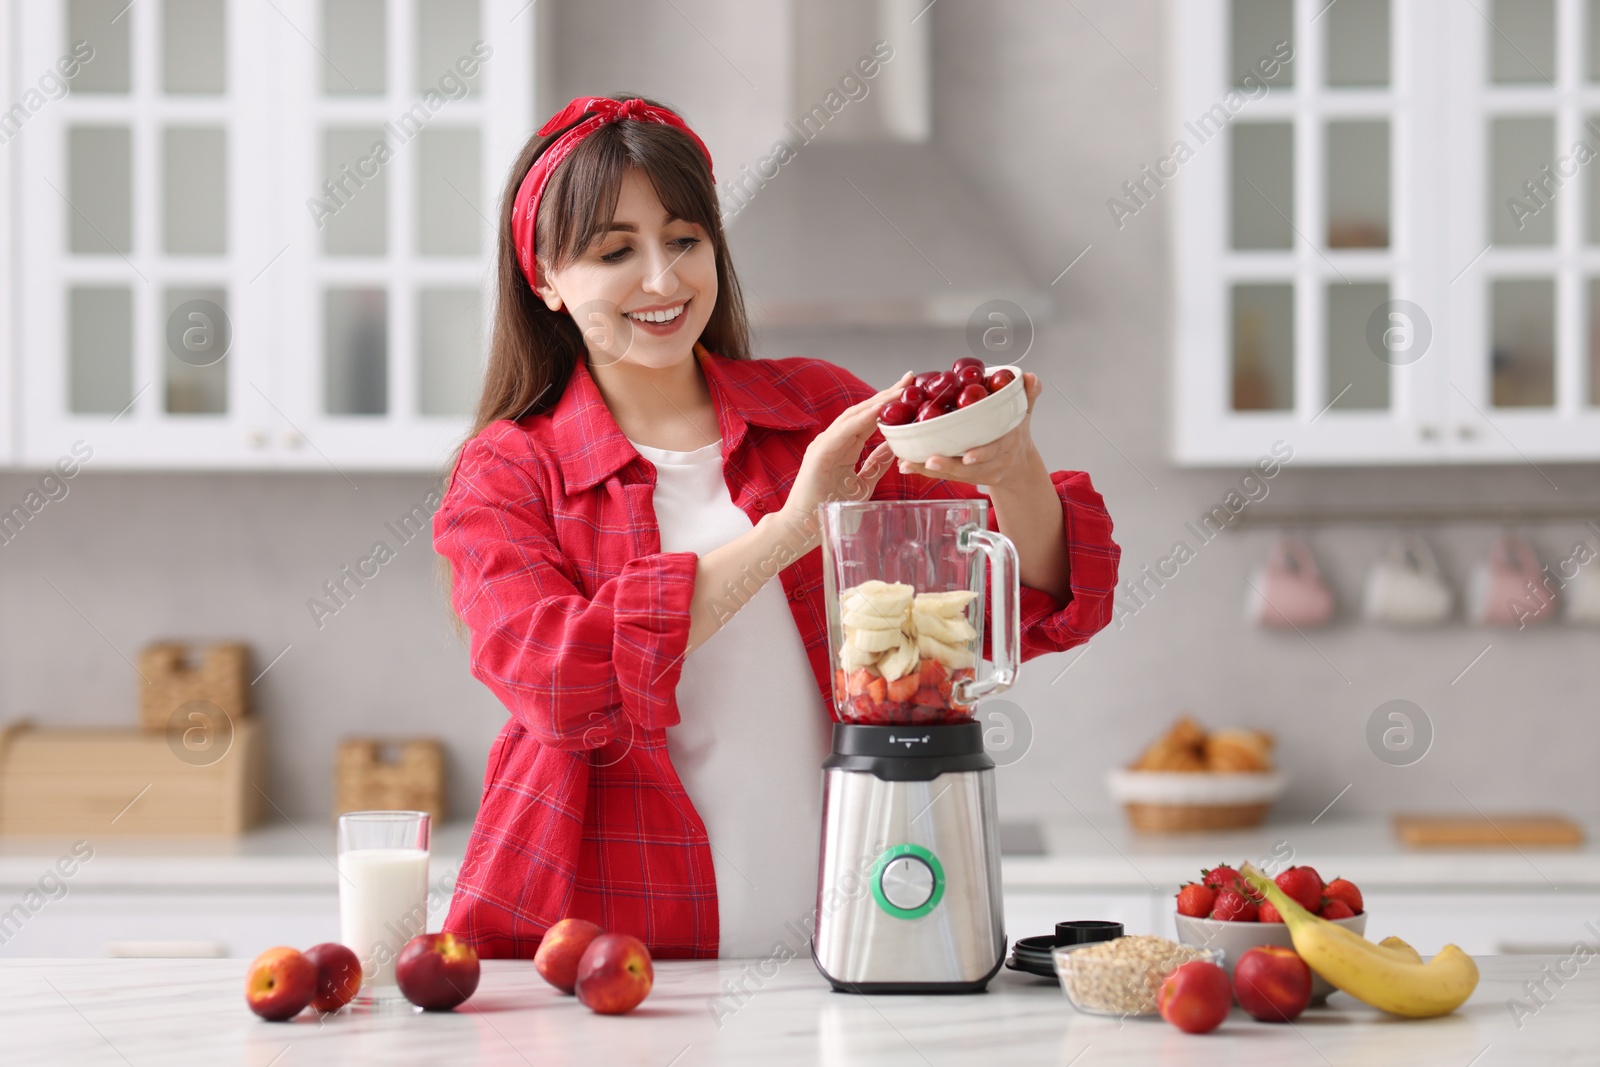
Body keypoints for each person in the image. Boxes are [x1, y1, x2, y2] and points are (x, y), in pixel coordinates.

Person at [433, 95, 1121, 960]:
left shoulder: (817, 411)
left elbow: (1021, 604)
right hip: (610, 948)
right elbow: (561, 682)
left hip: (841, 933)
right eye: (615, 251)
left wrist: (1013, 469)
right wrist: (792, 531)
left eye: (684, 238)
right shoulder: (508, 471)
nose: (662, 278)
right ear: (544, 280)